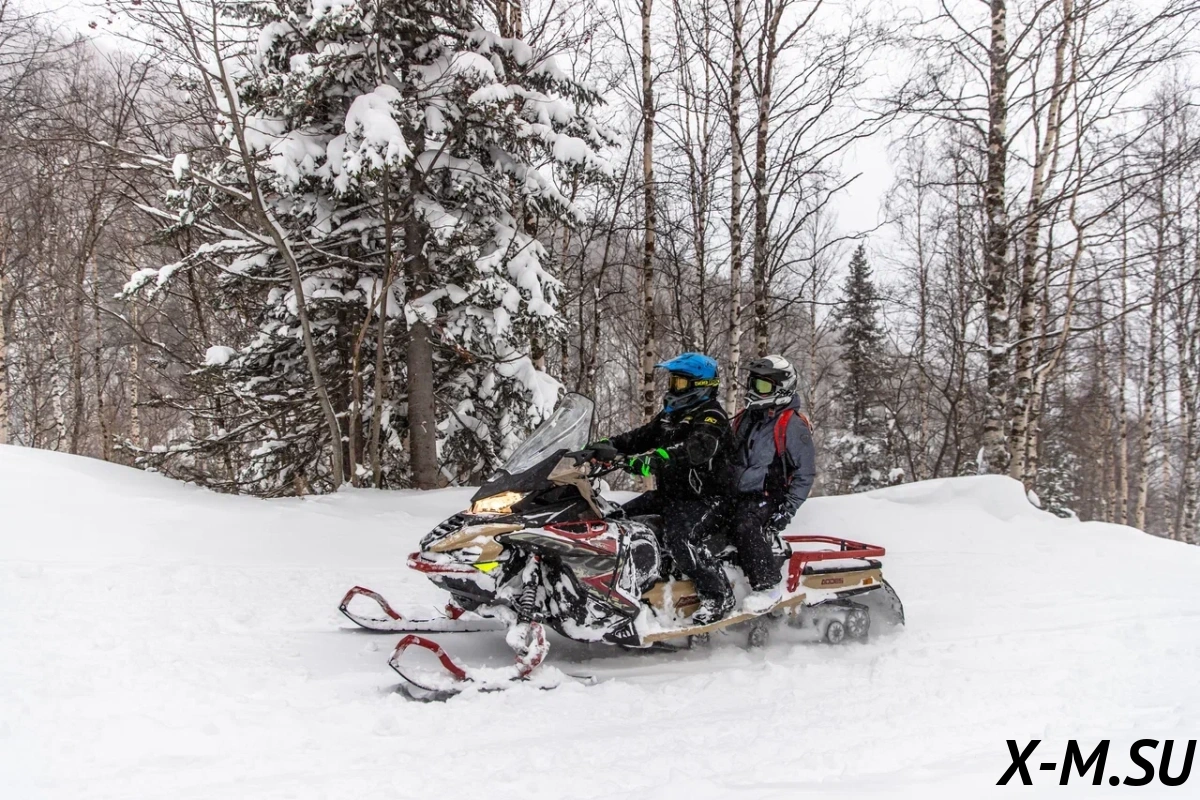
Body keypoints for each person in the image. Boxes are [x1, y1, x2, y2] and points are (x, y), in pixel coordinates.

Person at [585, 352, 735, 625]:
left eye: (678, 383)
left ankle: (718, 595)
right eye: (672, 382)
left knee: (682, 540)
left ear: (700, 386)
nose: (672, 388)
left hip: (707, 499)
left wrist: (654, 460)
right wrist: (605, 446)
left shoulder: (712, 418)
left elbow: (696, 449)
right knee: (615, 520)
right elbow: (640, 437)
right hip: (671, 496)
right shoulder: (671, 416)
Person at [727, 355, 817, 613]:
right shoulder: (746, 418)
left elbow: (805, 473)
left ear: (782, 387)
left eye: (762, 386)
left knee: (746, 525)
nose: (754, 391)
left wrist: (787, 509)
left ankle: (767, 585)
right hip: (739, 493)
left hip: (770, 495)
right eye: (752, 384)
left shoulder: (791, 425)